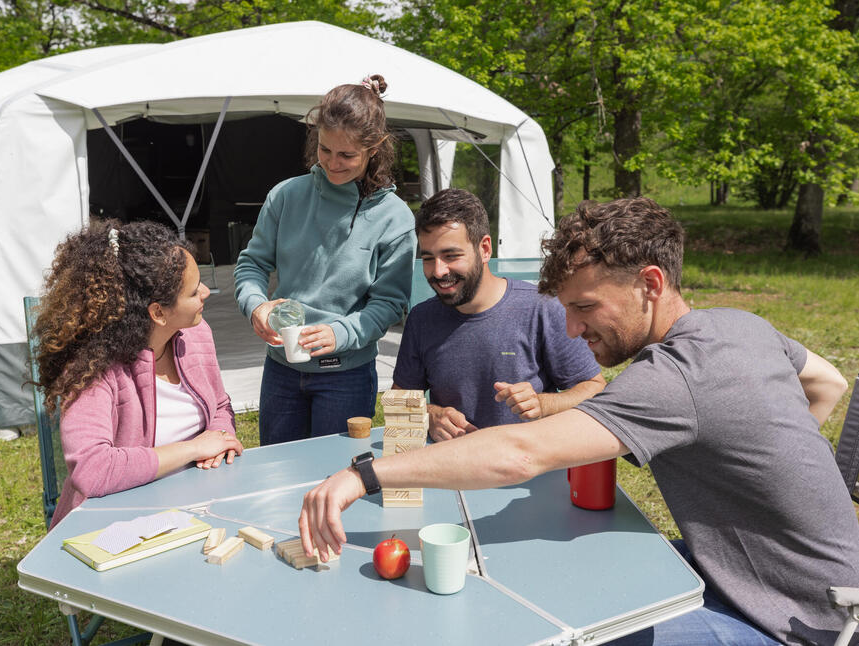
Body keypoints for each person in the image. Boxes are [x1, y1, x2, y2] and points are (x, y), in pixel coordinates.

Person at [299, 197, 859, 646]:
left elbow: (521, 454)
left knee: (580, 628)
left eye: (586, 307)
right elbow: (828, 383)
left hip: (801, 622)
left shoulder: (674, 377)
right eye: (565, 308)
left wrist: (364, 476)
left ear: (652, 283)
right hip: (805, 581)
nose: (569, 330)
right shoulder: (739, 324)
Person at [234, 74, 415, 446]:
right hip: (281, 371)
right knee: (278, 478)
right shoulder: (285, 196)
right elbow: (251, 265)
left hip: (346, 375)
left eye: (347, 155)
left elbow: (390, 303)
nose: (333, 163)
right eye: (325, 150)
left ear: (375, 148)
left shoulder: (395, 218)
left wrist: (341, 333)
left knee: (336, 480)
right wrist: (255, 305)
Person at [34, 220, 243, 529]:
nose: (206, 292)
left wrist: (220, 438)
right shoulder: (94, 368)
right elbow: (93, 469)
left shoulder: (196, 335)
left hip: (202, 504)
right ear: (158, 312)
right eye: (193, 291)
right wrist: (196, 448)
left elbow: (220, 406)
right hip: (118, 523)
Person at [392, 188, 605, 440]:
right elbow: (398, 403)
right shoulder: (421, 318)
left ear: (484, 249)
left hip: (530, 468)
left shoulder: (542, 307)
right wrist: (428, 415)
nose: (438, 271)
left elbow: (594, 389)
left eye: (451, 255)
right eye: (428, 258)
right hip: (451, 468)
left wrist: (543, 404)